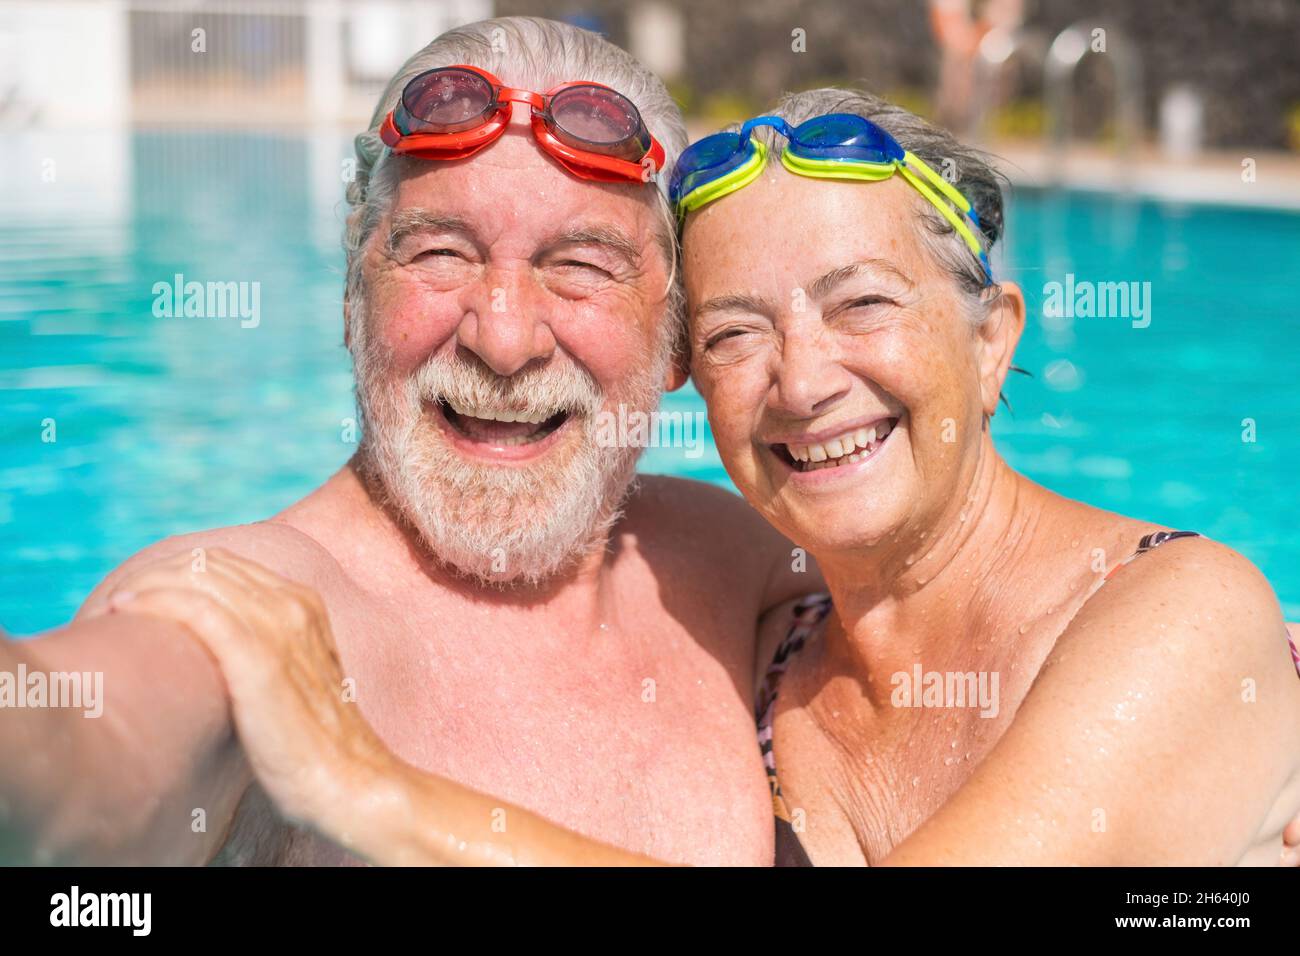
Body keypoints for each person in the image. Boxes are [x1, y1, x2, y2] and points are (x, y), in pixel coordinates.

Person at [101, 87, 1300, 867]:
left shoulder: (1172, 612)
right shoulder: (766, 653)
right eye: (733, 334)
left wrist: (370, 791)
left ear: (991, 339)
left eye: (862, 305)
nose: (802, 380)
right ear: (686, 381)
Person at [0, 17, 815, 867]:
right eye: (439, 253)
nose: (502, 339)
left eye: (580, 265)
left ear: (675, 337)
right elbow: (78, 759)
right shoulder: (267, 603)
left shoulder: (733, 560)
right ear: (353, 299)